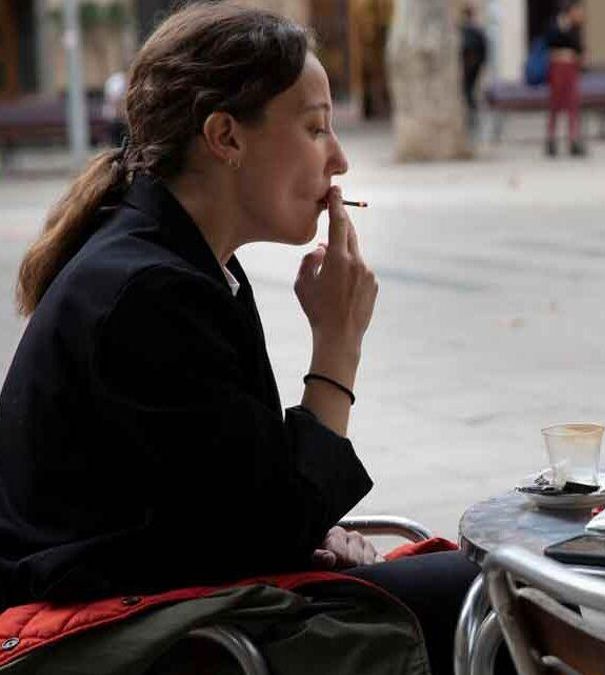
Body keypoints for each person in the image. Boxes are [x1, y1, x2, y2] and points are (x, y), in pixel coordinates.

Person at [0, 4, 480, 674]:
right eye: (315, 128)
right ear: (225, 136)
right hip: (118, 631)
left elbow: (230, 495)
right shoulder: (147, 290)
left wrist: (314, 531)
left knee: (484, 582)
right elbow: (267, 528)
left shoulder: (185, 260)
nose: (339, 159)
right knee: (488, 599)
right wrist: (338, 345)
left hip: (172, 591)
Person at [544, 0, 586, 158]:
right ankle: (551, 139)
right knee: (555, 104)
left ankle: (573, 139)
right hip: (557, 67)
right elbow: (550, 42)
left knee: (572, 104)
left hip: (571, 67)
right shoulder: (554, 25)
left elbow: (578, 48)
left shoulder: (576, 28)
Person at [460, 4, 488, 136]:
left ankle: (471, 115)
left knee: (468, 91)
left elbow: (482, 50)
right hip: (469, 66)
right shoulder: (468, 31)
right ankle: (470, 114)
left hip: (471, 66)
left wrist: (478, 62)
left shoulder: (471, 32)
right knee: (468, 91)